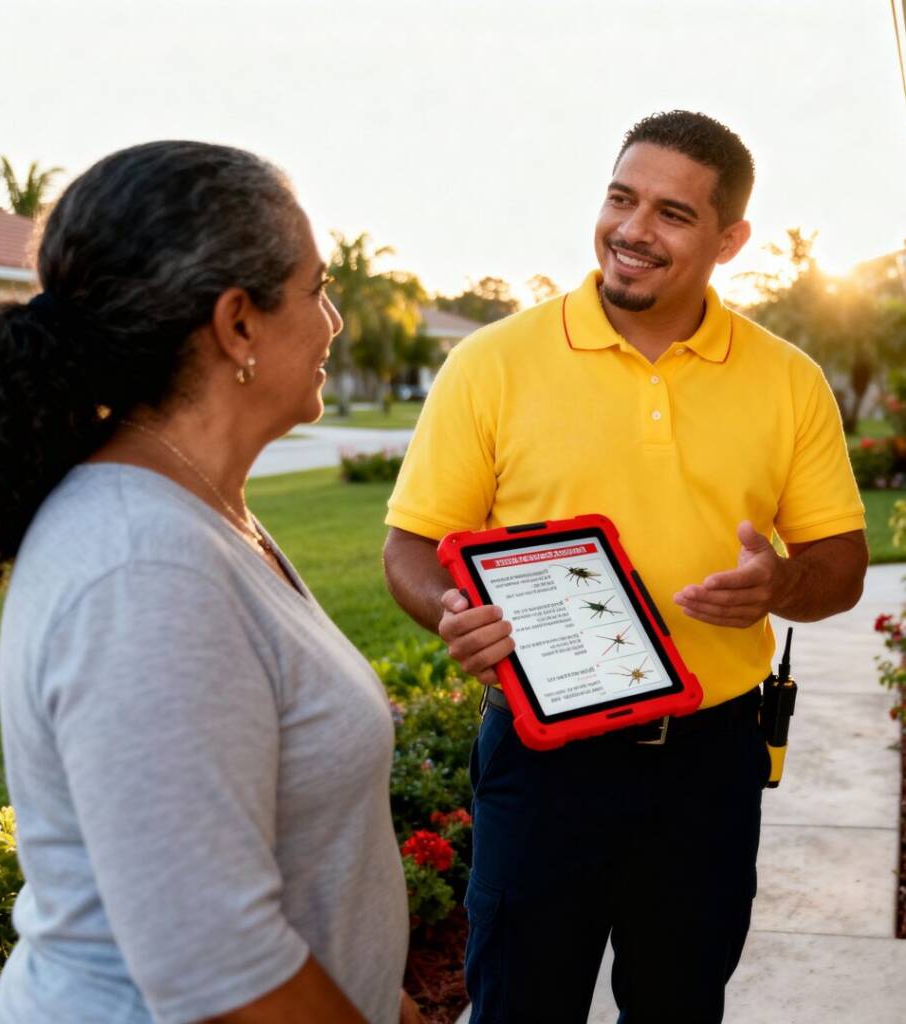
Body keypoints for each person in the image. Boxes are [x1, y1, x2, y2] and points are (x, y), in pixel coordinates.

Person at [0, 141, 423, 1024]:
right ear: (238, 324)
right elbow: (220, 976)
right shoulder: (141, 567)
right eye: (316, 290)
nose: (333, 322)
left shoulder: (200, 514)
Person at [382, 110, 867, 1023]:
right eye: (620, 198)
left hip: (710, 760)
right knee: (520, 1005)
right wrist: (455, 610)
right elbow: (410, 543)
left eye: (672, 214)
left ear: (730, 240)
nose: (632, 231)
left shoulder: (787, 379)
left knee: (680, 1005)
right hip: (541, 757)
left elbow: (841, 560)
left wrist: (784, 584)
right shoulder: (491, 363)